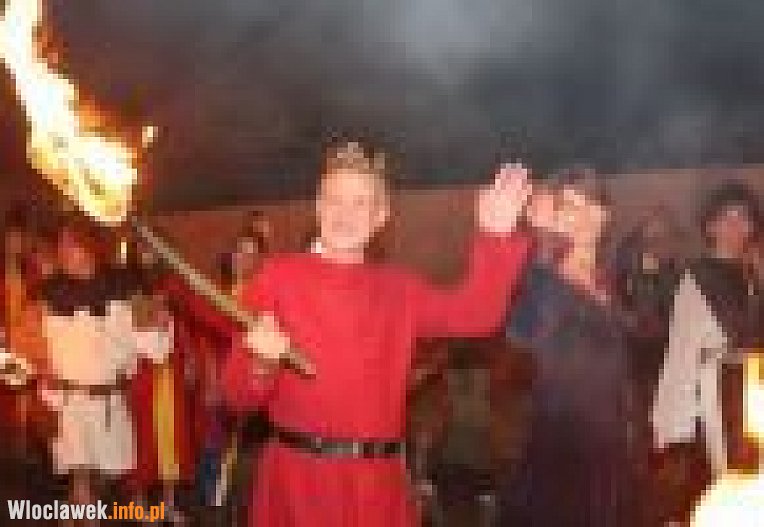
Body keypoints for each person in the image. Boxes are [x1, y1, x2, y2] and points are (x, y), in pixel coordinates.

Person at [221, 141, 538, 527]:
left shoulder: (399, 288)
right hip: (299, 483)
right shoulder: (277, 277)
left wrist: (495, 235)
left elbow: (477, 315)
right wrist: (261, 361)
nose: (344, 213)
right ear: (318, 207)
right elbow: (236, 398)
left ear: (380, 216)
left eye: (360, 203)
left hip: (378, 489)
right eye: (334, 200)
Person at [501, 170, 637, 527]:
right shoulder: (538, 278)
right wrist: (543, 247)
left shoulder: (609, 282)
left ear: (605, 214)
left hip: (612, 449)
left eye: (592, 203)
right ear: (552, 218)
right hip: (561, 452)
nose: (584, 215)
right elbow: (522, 333)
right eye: (569, 207)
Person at [33, 215, 174, 525]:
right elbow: (41, 347)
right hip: (70, 404)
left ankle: (72, 515)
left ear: (90, 247)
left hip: (109, 404)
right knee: (81, 477)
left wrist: (160, 322)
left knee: (101, 480)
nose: (62, 252)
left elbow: (155, 348)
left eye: (70, 244)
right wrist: (46, 388)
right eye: (61, 245)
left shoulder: (127, 289)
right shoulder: (50, 292)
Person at [651, 181, 764, 524]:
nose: (736, 226)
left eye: (744, 218)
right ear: (710, 226)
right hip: (717, 394)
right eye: (727, 218)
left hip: (751, 390)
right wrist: (674, 419)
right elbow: (684, 346)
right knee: (727, 486)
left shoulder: (749, 273)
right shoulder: (699, 276)